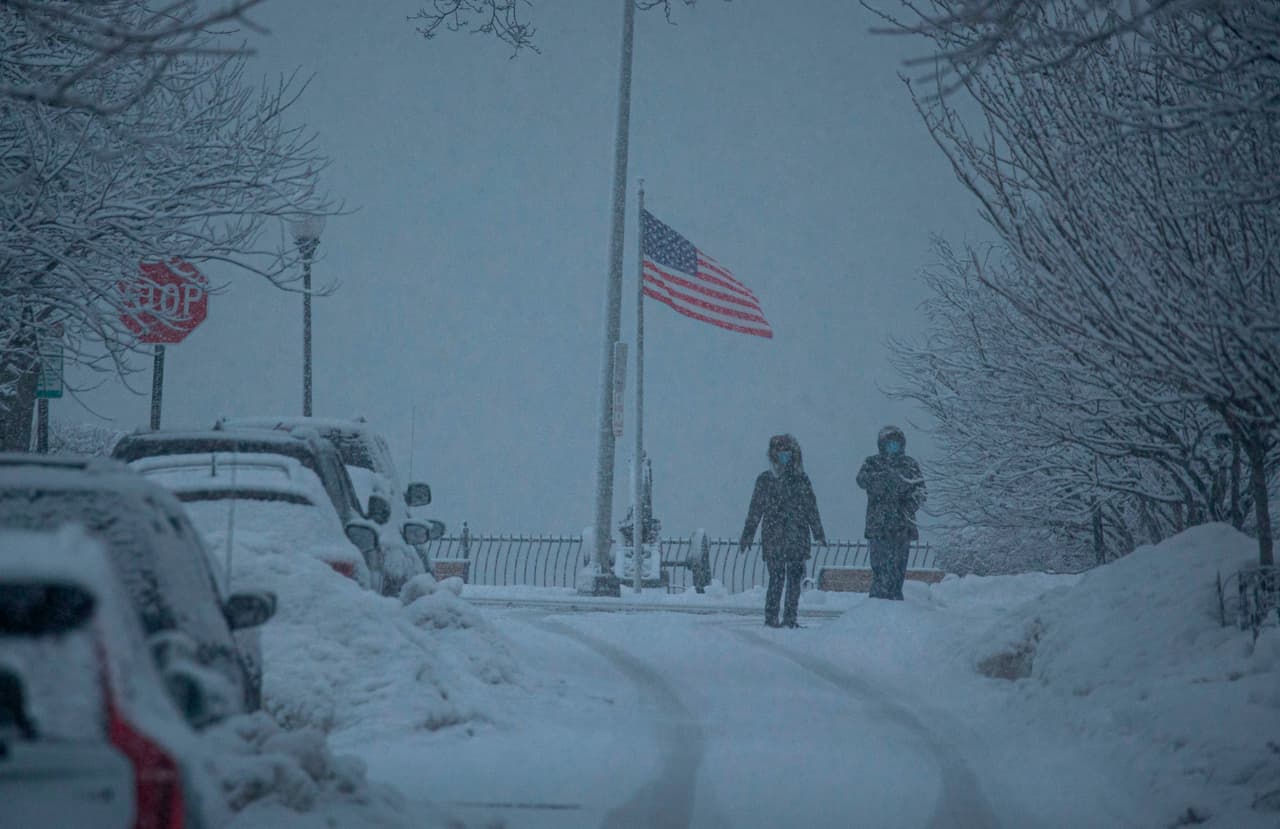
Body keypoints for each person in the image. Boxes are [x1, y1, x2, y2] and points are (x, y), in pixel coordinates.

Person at [740, 434, 826, 628]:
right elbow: (755, 510)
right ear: (774, 454)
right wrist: (747, 535)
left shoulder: (801, 479)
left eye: (788, 452)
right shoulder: (766, 480)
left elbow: (811, 507)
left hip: (793, 536)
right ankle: (772, 618)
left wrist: (818, 532)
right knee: (777, 579)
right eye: (781, 452)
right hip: (776, 538)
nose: (784, 456)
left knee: (794, 579)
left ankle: (789, 618)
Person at [856, 425, 927, 600]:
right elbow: (861, 481)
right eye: (889, 443)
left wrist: (906, 507)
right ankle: (878, 601)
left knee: (898, 568)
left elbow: (921, 493)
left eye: (896, 443)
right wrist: (883, 479)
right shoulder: (872, 462)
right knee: (879, 567)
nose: (892, 446)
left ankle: (895, 600)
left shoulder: (909, 464)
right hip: (878, 526)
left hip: (902, 526)